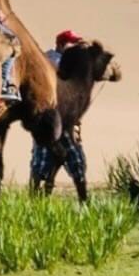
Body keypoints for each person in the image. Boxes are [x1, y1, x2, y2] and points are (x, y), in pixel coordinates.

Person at [30, 29, 86, 187]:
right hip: (49, 116)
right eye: (72, 43)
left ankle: (45, 186)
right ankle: (36, 189)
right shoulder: (53, 59)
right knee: (42, 156)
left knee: (60, 155)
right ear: (61, 44)